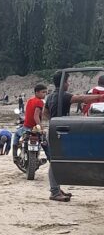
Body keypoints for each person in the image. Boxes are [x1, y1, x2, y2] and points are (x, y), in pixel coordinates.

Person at [43, 71, 104, 202]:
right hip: (59, 131)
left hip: (53, 129)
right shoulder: (64, 96)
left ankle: (56, 189)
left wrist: (54, 120)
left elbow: (45, 113)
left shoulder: (50, 97)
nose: (68, 84)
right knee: (55, 162)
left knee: (56, 160)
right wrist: (101, 96)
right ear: (63, 83)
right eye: (68, 81)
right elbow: (82, 98)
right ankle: (54, 192)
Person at [12, 84, 48, 162]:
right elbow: (36, 116)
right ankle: (50, 158)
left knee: (16, 134)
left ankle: (14, 156)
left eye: (46, 92)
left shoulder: (30, 100)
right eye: (43, 92)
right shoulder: (40, 102)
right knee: (44, 142)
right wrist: (40, 127)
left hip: (26, 127)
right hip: (34, 128)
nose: (45, 94)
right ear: (37, 92)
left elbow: (28, 114)